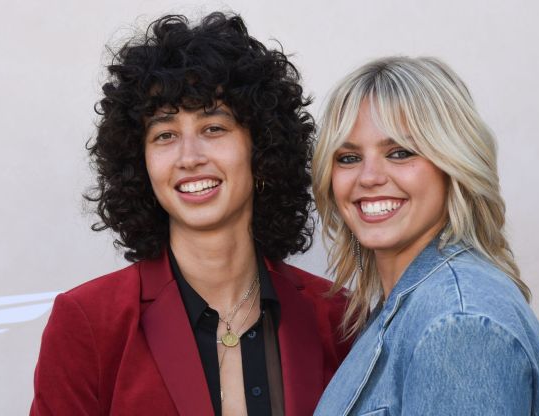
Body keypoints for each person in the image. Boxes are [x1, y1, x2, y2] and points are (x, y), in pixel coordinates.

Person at [30, 12, 349, 416]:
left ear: (262, 146)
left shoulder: (335, 317)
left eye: (213, 128)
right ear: (138, 161)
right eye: (165, 134)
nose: (190, 157)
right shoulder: (89, 324)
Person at [311, 57, 539, 415]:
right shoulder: (406, 307)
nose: (369, 177)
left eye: (399, 153)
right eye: (349, 157)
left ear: (453, 165)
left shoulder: (457, 326)